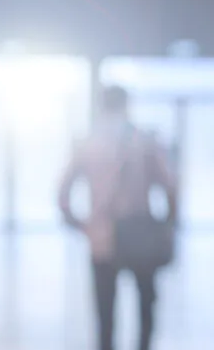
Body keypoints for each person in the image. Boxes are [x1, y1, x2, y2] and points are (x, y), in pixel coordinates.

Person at [58, 86, 178, 350]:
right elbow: (170, 187)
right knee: (146, 306)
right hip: (141, 235)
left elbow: (62, 194)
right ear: (126, 105)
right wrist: (166, 225)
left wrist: (84, 226)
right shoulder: (144, 140)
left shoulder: (88, 143)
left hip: (102, 238)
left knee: (105, 312)